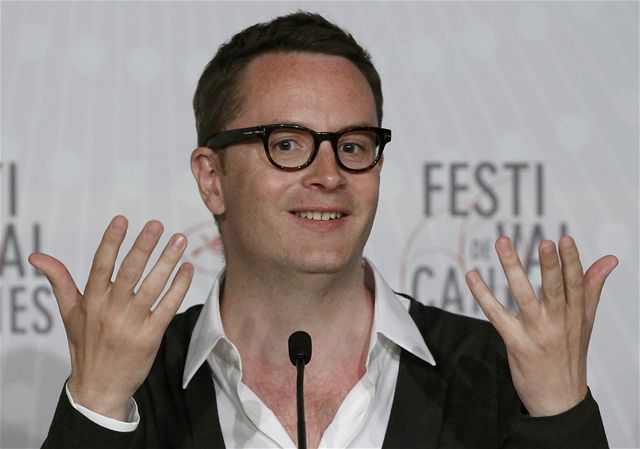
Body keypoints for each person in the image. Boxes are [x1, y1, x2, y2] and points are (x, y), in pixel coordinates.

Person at [30, 11, 617, 449]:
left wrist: (559, 417)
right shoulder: (133, 381)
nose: (330, 175)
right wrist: (97, 408)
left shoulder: (496, 371)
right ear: (212, 178)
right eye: (287, 145)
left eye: (354, 146)